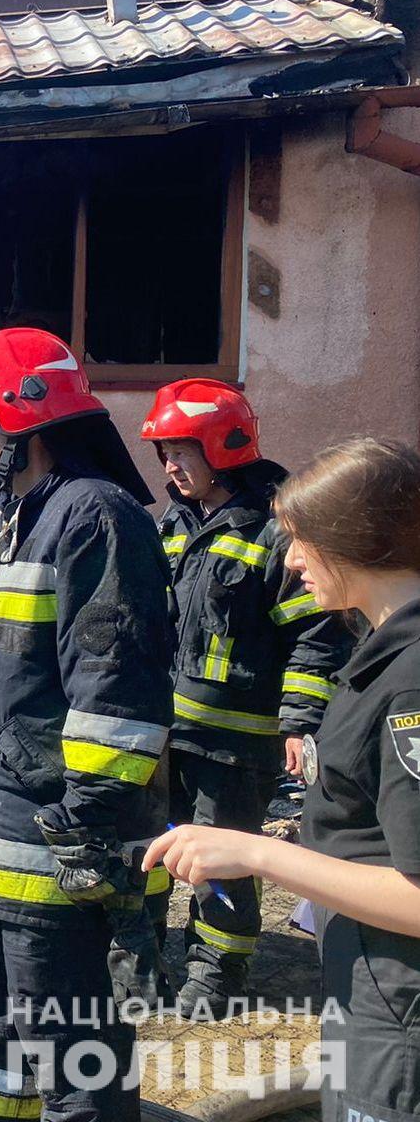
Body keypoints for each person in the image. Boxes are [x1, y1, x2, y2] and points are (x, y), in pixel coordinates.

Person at [0, 328, 172, 1122]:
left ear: (21, 418)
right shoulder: (7, 516)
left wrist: (88, 826)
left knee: (69, 1051)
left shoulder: (94, 517)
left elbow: (116, 689)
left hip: (47, 849)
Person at [147, 436, 420, 1122]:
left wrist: (256, 852)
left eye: (303, 540)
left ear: (357, 539)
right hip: (369, 989)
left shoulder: (411, 684)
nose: (291, 559)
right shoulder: (382, 653)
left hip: (399, 1015)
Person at [139, 380, 352, 1014]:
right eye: (164, 454)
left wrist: (300, 721)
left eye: (182, 452)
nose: (171, 467)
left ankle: (218, 974)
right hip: (164, 731)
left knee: (220, 855)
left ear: (223, 449)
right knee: (151, 846)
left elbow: (318, 633)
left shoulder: (277, 534)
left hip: (239, 741)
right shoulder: (169, 527)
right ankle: (142, 954)